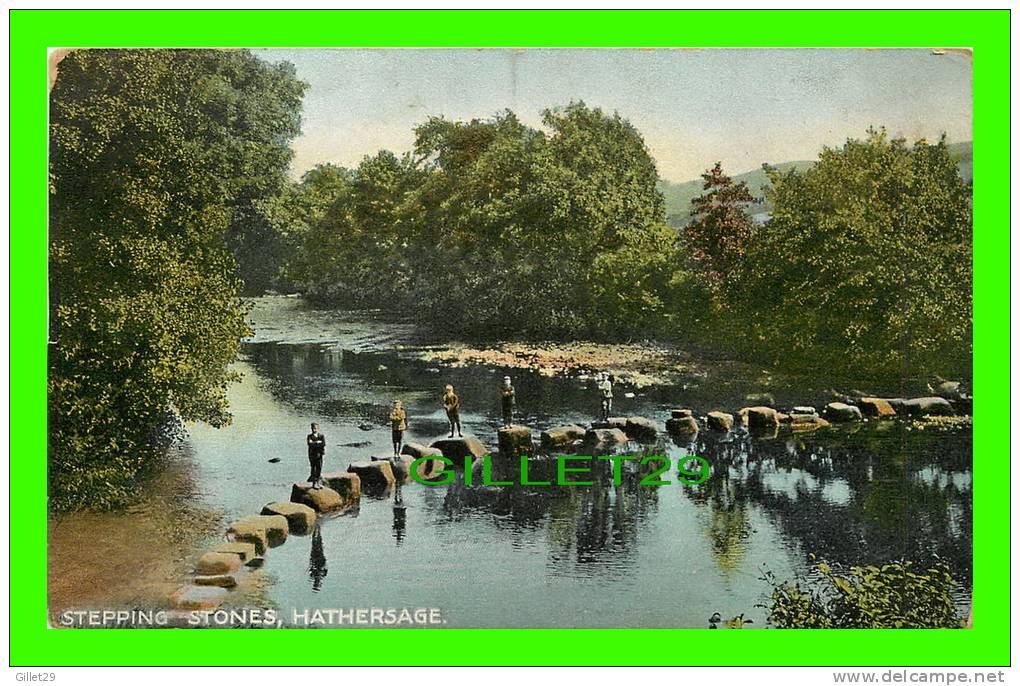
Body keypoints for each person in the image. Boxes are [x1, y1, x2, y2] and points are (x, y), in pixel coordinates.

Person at [306, 422, 326, 488]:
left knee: (319, 468)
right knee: (313, 468)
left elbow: (323, 444)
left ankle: (318, 482)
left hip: (319, 455)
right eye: (312, 428)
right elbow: (309, 444)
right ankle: (314, 483)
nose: (314, 430)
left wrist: (315, 443)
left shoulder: (321, 436)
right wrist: (317, 443)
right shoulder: (309, 436)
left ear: (318, 428)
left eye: (315, 428)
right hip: (312, 455)